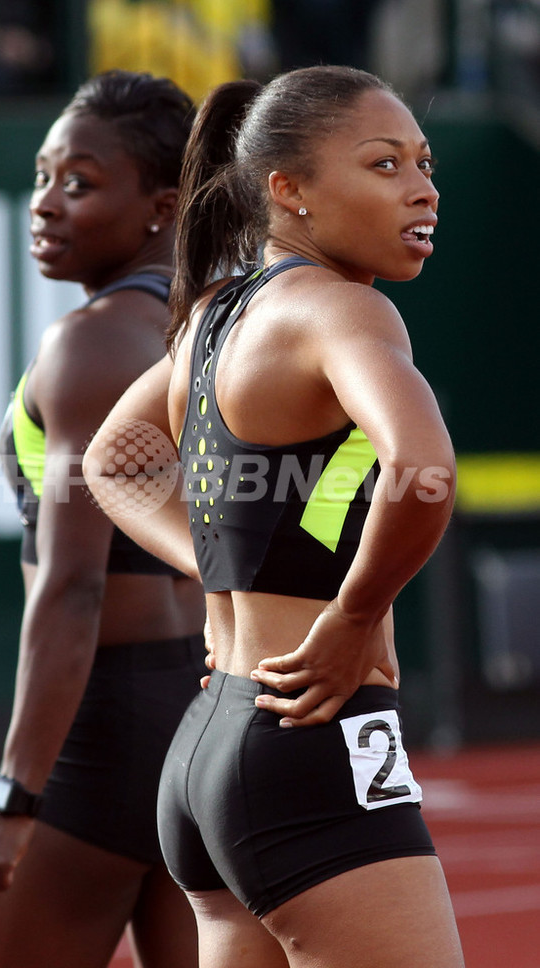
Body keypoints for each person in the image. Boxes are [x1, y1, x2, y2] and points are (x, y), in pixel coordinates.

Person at [83, 65, 466, 967]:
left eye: (423, 161)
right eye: (382, 165)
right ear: (285, 191)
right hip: (312, 738)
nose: (421, 187)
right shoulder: (340, 310)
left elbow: (111, 458)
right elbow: (425, 470)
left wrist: (222, 570)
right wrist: (353, 617)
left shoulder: (217, 313)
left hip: (212, 738)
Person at [0, 70, 205, 968]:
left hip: (107, 732)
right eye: (44, 176)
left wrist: (14, 801)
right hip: (204, 722)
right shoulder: (223, 327)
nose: (45, 204)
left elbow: (74, 586)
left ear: (162, 206)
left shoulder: (89, 342)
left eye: (79, 183)